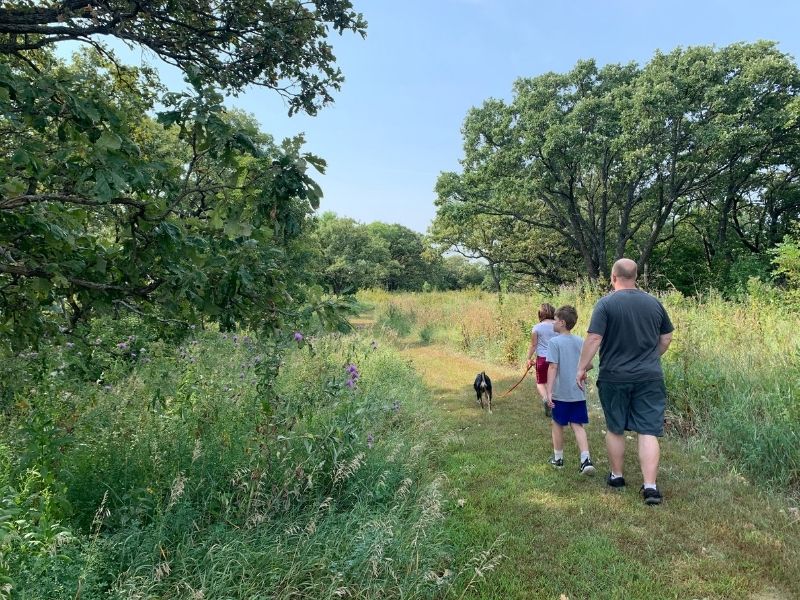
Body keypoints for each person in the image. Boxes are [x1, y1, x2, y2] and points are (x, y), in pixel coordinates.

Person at [576, 258, 674, 505]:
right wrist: (651, 357)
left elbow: (594, 338)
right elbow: (666, 337)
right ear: (636, 276)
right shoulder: (654, 303)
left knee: (615, 427)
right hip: (649, 376)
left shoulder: (606, 304)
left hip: (614, 376)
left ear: (613, 277)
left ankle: (617, 476)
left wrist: (582, 367)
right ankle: (650, 487)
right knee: (648, 430)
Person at [545, 305, 595, 475]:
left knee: (557, 423)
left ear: (562, 322)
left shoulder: (554, 342)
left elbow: (552, 367)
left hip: (561, 392)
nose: (553, 321)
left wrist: (549, 392)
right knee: (577, 424)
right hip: (577, 392)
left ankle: (558, 459)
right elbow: (589, 365)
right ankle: (585, 460)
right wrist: (580, 373)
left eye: (555, 319)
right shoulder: (580, 341)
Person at [526, 303, 556, 417]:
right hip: (555, 359)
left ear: (540, 314)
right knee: (551, 383)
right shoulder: (558, 325)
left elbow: (534, 345)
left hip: (542, 359)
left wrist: (528, 358)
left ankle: (546, 399)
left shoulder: (537, 327)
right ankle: (552, 402)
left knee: (540, 383)